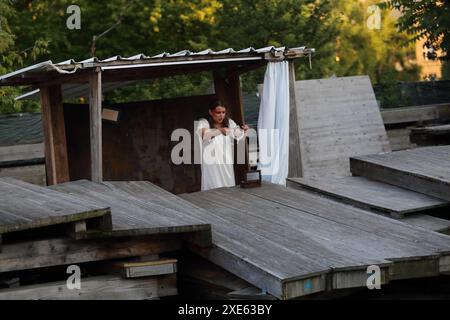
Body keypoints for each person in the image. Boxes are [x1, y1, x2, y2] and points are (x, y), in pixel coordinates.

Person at [196, 100, 249, 191]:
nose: (221, 115)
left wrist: (245, 131)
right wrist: (220, 131)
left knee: (229, 189)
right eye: (218, 112)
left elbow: (239, 135)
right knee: (213, 189)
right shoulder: (204, 122)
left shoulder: (229, 123)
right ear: (210, 112)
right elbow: (204, 135)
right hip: (211, 165)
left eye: (223, 112)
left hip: (226, 163)